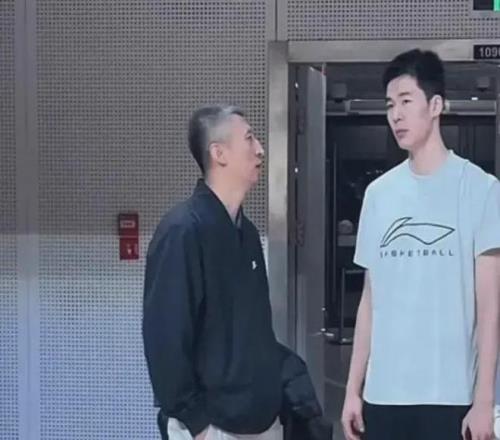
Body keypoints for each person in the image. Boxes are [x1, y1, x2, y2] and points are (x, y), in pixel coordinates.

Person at [142, 105, 331, 440]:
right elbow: (165, 340)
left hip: (260, 420)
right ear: (219, 153)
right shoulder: (182, 231)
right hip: (209, 425)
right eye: (249, 138)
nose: (260, 149)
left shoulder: (247, 234)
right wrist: (197, 424)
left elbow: (254, 332)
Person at [341, 49, 500, 440]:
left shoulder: (480, 189)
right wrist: (352, 390)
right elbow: (370, 301)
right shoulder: (379, 194)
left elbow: (489, 306)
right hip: (384, 395)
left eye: (406, 101)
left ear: (436, 105)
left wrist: (484, 400)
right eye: (389, 105)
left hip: (452, 396)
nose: (395, 115)